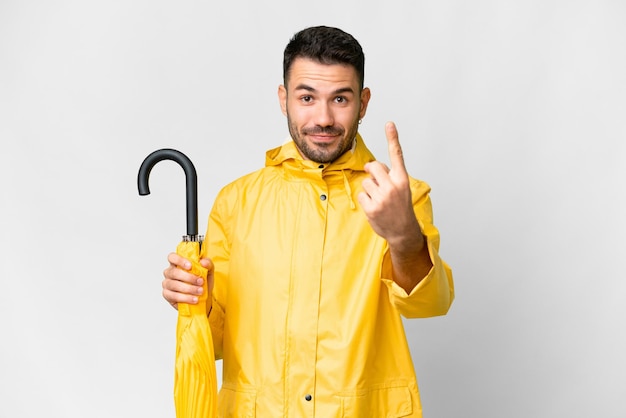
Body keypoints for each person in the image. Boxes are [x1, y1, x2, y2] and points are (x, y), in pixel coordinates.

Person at [162, 25, 454, 417]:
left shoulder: (397, 195)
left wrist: (403, 235)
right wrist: (199, 302)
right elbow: (215, 343)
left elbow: (430, 303)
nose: (323, 117)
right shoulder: (237, 202)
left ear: (363, 103)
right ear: (283, 99)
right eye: (306, 97)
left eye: (340, 98)